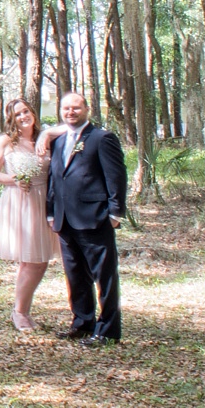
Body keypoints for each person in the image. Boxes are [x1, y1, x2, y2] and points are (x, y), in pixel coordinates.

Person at [45, 92, 128, 347]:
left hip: (95, 218)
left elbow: (116, 176)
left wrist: (115, 213)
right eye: (66, 108)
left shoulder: (102, 139)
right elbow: (56, 177)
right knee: (75, 275)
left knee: (104, 276)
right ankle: (82, 323)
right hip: (65, 221)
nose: (71, 112)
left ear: (87, 109)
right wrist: (50, 210)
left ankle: (108, 330)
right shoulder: (59, 142)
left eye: (76, 108)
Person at [0, 99, 60, 332]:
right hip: (21, 201)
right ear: (11, 119)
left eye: (26, 111)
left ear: (33, 112)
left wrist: (46, 136)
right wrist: (13, 180)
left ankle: (22, 307)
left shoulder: (46, 137)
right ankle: (20, 312)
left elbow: (71, 127)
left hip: (44, 200)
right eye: (17, 114)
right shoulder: (6, 141)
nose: (23, 116)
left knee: (41, 260)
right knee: (31, 260)